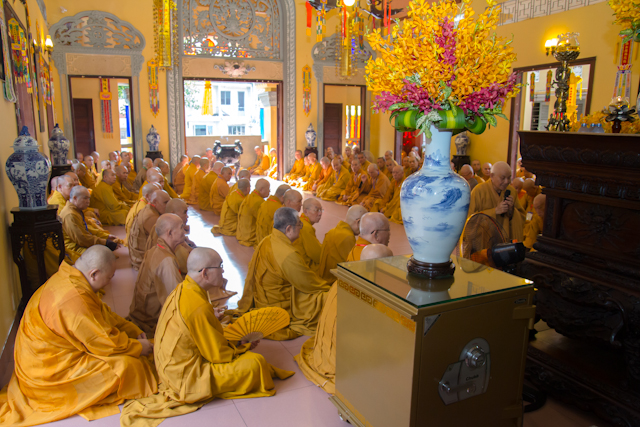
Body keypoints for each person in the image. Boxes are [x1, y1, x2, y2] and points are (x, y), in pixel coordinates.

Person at [120, 248, 294, 426]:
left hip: (169, 366)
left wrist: (229, 334)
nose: (223, 270)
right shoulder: (198, 306)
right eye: (220, 266)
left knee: (228, 330)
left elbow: (202, 333)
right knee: (255, 363)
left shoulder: (184, 288)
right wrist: (242, 346)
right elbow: (218, 355)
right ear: (205, 273)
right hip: (185, 378)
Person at [0, 246, 157, 426]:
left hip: (40, 359)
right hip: (46, 375)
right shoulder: (75, 298)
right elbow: (104, 344)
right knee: (129, 366)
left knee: (129, 355)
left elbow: (104, 314)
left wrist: (132, 330)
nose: (109, 282)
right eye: (109, 277)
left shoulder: (70, 278)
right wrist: (138, 347)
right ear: (94, 274)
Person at [295, 243, 393, 394]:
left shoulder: (345, 278)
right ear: (380, 266)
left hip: (330, 345)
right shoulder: (369, 288)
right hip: (345, 348)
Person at [232, 208, 331, 340]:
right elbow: (310, 284)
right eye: (299, 225)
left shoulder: (267, 240)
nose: (301, 228)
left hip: (262, 300)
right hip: (279, 306)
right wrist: (329, 288)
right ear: (289, 229)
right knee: (328, 298)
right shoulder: (288, 254)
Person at [128, 214, 186, 337]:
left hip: (141, 314)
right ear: (170, 233)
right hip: (151, 322)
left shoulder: (156, 249)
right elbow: (176, 301)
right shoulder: (167, 262)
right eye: (181, 227)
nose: (184, 230)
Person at [468, 161, 526, 241]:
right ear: (492, 176)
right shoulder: (478, 191)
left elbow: (522, 217)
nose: (506, 181)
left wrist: (512, 211)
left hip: (506, 241)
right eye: (503, 178)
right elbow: (470, 219)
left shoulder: (512, 191)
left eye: (509, 178)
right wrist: (494, 211)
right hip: (484, 241)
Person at [61, 186, 120, 254]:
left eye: (89, 198)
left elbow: (87, 229)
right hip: (74, 249)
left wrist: (106, 236)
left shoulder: (77, 210)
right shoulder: (70, 215)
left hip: (81, 244)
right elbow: (82, 239)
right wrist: (105, 242)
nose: (88, 202)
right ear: (75, 198)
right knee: (103, 253)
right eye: (85, 198)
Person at [316, 205, 367, 282]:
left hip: (323, 276)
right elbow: (353, 266)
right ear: (358, 222)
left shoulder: (333, 230)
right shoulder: (348, 237)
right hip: (333, 280)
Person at [145, 199, 196, 275]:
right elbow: (186, 266)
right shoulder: (168, 234)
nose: (187, 216)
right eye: (184, 212)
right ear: (173, 213)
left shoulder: (162, 225)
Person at [128, 190, 171, 270]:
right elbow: (165, 240)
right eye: (165, 203)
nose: (167, 206)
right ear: (154, 202)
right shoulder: (151, 216)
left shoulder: (150, 209)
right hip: (142, 260)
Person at [236, 178, 270, 247]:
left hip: (241, 233)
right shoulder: (258, 201)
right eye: (268, 189)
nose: (270, 191)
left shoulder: (250, 196)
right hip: (249, 236)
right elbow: (263, 222)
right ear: (261, 190)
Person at [293, 198, 323, 269]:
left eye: (321, 210)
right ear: (306, 211)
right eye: (316, 210)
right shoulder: (306, 227)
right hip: (302, 267)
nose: (320, 213)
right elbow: (317, 255)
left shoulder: (301, 221)